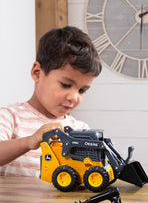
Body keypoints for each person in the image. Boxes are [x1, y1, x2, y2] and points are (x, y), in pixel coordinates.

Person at [0, 26, 102, 177]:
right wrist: (29, 141)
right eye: (66, 85)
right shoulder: (10, 117)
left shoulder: (80, 130)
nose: (74, 97)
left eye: (82, 90)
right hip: (15, 201)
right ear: (37, 73)